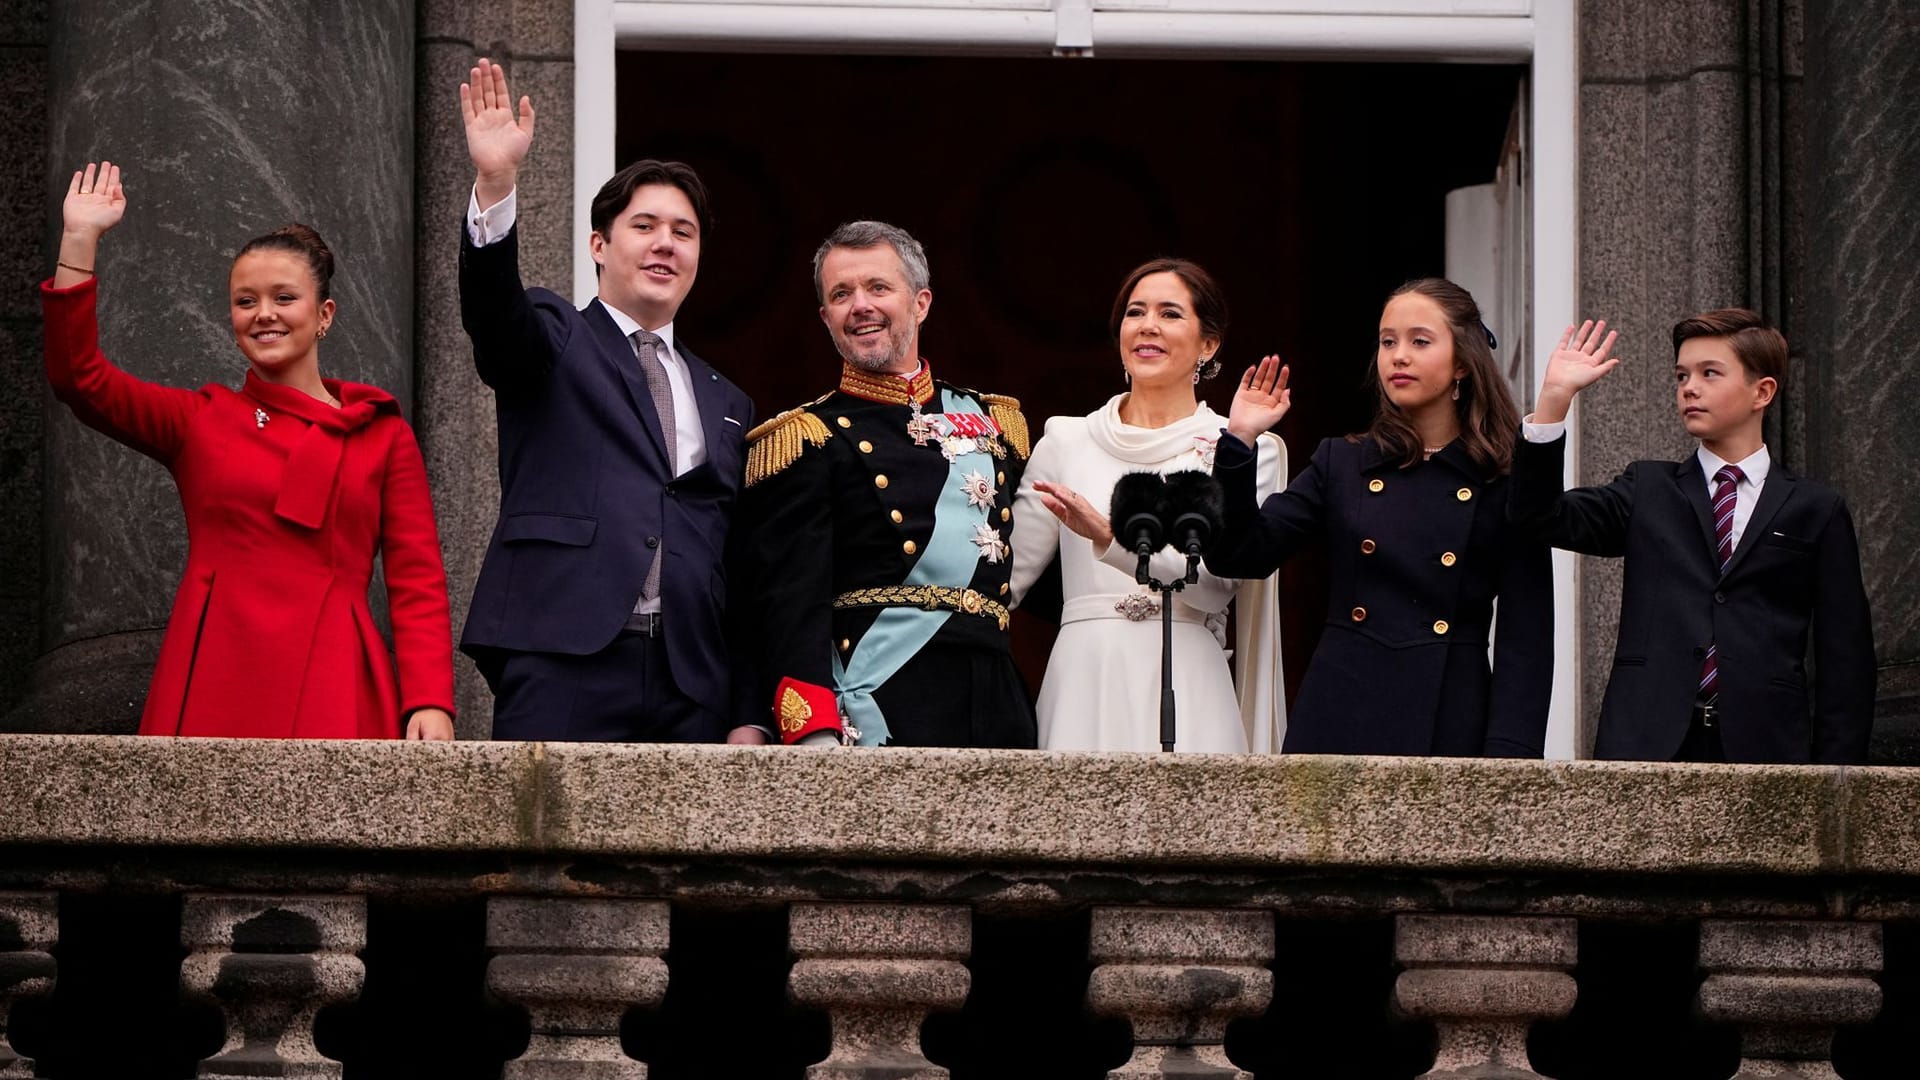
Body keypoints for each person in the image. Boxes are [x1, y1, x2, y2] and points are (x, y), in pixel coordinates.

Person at [41, 162, 455, 740]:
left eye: (284, 297)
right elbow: (78, 378)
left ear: (324, 315)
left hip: (337, 673)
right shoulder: (201, 420)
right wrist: (79, 241)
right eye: (245, 301)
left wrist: (429, 701)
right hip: (215, 670)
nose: (264, 313)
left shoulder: (379, 433)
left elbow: (417, 580)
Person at [456, 59, 759, 743]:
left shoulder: (727, 397)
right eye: (644, 225)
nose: (664, 244)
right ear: (600, 243)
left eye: (684, 233)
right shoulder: (556, 337)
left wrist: (745, 705)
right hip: (565, 656)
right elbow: (493, 315)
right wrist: (497, 183)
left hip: (693, 681)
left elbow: (737, 562)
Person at [1206, 277, 1553, 756]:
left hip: (1451, 717)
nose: (1399, 356)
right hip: (1340, 709)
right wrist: (1240, 441)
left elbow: (1526, 639)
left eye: (1420, 341)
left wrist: (1511, 761)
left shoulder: (1502, 479)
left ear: (1462, 364)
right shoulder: (1342, 463)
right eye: (1388, 341)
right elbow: (1238, 555)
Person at [1509, 311, 1874, 763]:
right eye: (1681, 375)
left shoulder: (1816, 508)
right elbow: (1537, 518)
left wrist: (1838, 779)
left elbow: (1846, 658)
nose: (1689, 388)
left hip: (1769, 747)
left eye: (1709, 373)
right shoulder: (1648, 489)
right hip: (1646, 744)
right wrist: (1554, 401)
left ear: (1762, 391)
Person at [736, 221, 1036, 748]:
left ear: (920, 303)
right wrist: (811, 728)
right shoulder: (809, 437)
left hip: (995, 702)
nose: (860, 306)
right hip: (884, 702)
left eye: (878, 288)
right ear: (826, 317)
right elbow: (789, 601)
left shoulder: (994, 421)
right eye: (841, 294)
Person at [1008, 258, 1285, 753]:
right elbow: (1004, 583)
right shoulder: (1065, 440)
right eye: (1136, 312)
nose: (1148, 326)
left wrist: (1111, 539)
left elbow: (1216, 587)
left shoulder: (1243, 448)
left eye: (1171, 313)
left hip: (1191, 677)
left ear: (1209, 343)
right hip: (1083, 680)